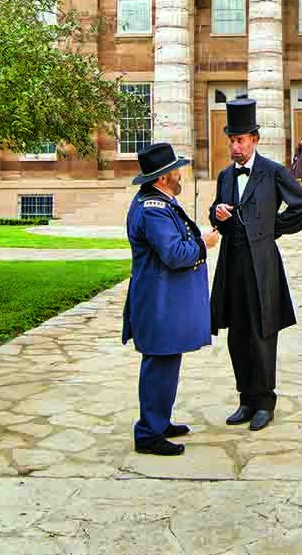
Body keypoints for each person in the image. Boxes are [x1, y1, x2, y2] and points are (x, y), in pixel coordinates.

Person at [209, 96, 302, 431]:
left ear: (254, 140)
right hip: (232, 263)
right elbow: (217, 213)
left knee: (262, 332)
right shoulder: (226, 176)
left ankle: (265, 402)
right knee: (237, 334)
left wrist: (273, 229)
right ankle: (245, 399)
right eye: (231, 141)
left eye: (239, 141)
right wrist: (218, 214)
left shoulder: (273, 172)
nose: (234, 147)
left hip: (263, 264)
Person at [122, 141, 220, 457]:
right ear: (163, 177)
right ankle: (149, 432)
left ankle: (159, 421)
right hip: (158, 302)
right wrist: (204, 245)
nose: (180, 175)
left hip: (164, 301)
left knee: (167, 363)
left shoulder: (159, 203)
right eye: (175, 170)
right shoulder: (153, 211)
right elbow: (175, 254)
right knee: (159, 364)